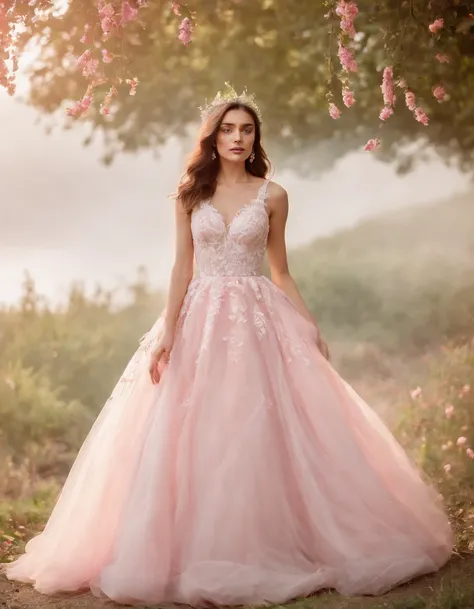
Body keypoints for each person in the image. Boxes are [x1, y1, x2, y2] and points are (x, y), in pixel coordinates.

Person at [3, 85, 453, 606]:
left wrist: (309, 326)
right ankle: (178, 547)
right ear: (213, 138)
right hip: (198, 316)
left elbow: (281, 271)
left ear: (255, 138)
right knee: (187, 427)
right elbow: (181, 266)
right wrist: (168, 330)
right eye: (228, 129)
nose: (238, 138)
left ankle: (272, 541)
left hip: (257, 321)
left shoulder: (274, 195)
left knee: (255, 425)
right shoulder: (191, 193)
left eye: (247, 130)